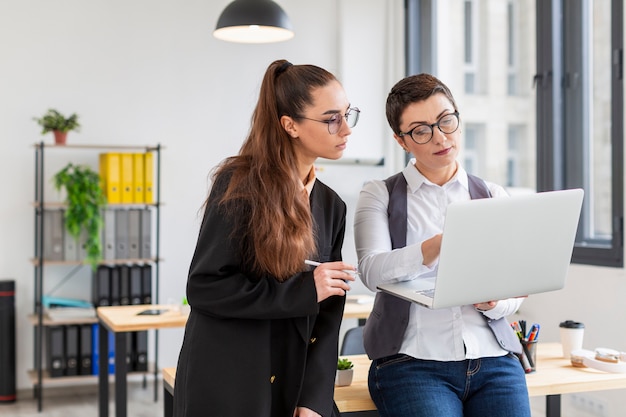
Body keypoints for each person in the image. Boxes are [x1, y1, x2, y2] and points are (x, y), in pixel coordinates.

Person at [173, 59, 360, 417]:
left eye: (348, 114)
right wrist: (304, 291)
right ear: (290, 125)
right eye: (332, 118)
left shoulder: (331, 205)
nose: (346, 129)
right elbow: (206, 287)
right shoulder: (238, 185)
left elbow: (328, 314)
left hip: (294, 382)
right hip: (231, 381)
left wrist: (314, 399)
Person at [353, 73, 531, 417]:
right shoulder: (379, 194)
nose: (440, 137)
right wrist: (436, 246)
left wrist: (495, 303)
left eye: (446, 121)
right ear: (401, 140)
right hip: (412, 363)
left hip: (494, 358)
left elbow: (518, 287)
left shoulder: (493, 195)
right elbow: (371, 271)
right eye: (421, 130)